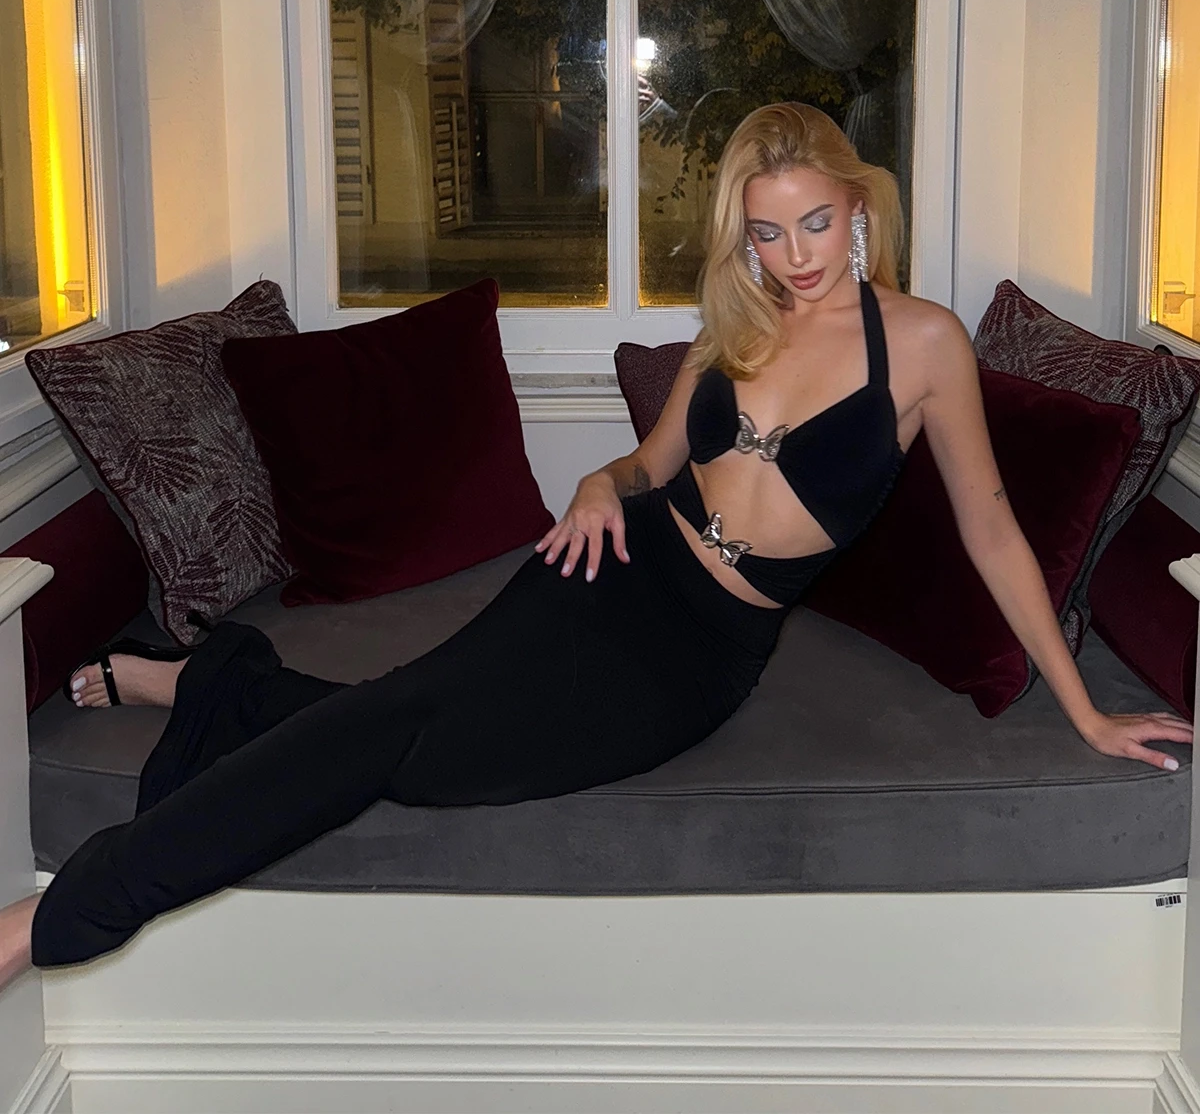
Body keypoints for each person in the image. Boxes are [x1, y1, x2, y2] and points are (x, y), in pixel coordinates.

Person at [0, 102, 1190, 986]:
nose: (796, 256)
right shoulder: (735, 326)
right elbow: (647, 467)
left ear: (860, 207)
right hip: (606, 574)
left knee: (419, 751)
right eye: (768, 234)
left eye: (817, 223)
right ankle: (59, 912)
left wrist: (1084, 709)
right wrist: (593, 484)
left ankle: (212, 680)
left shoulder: (922, 345)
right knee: (397, 722)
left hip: (699, 654)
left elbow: (992, 527)